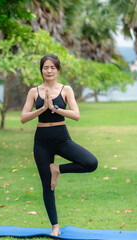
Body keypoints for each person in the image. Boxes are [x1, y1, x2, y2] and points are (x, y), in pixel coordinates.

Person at [20, 54, 98, 236]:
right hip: (42, 141)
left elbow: (76, 115)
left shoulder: (66, 89)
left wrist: (55, 108)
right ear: (41, 70)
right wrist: (42, 108)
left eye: (52, 68)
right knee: (47, 185)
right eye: (45, 67)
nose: (49, 71)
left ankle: (58, 169)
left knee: (90, 163)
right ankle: (55, 226)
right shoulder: (34, 92)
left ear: (58, 70)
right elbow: (24, 118)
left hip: (62, 138)